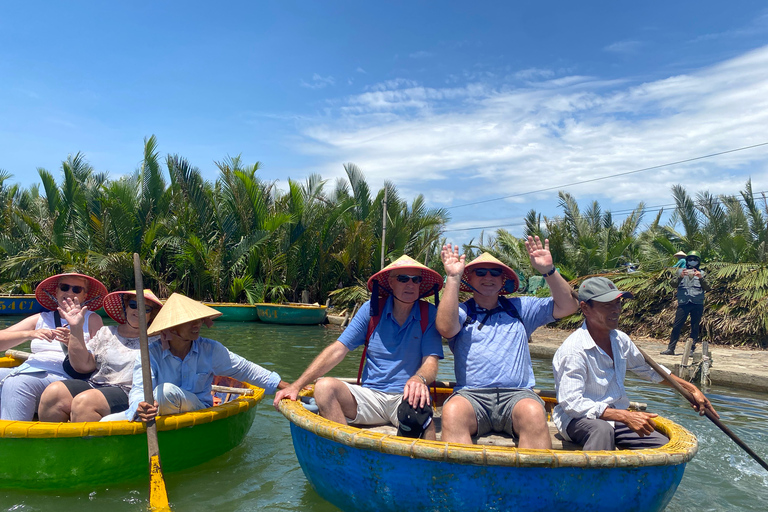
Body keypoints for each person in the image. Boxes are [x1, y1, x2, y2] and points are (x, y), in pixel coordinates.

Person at [274, 255, 444, 440]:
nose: (410, 284)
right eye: (403, 278)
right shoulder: (370, 311)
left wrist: (418, 379)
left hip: (406, 396)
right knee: (323, 388)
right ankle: (346, 451)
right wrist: (297, 385)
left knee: (420, 415)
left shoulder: (429, 314)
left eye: (415, 279)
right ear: (391, 282)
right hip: (370, 396)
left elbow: (431, 362)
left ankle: (426, 468)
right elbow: (338, 350)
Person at [436, 237, 579, 447]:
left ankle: (531, 479)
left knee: (533, 413)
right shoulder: (461, 312)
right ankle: (461, 479)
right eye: (480, 272)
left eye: (495, 273)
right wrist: (453, 278)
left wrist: (548, 270)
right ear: (470, 278)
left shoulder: (520, 308)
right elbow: (445, 327)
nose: (488, 277)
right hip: (471, 396)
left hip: (518, 395)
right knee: (452, 411)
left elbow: (569, 306)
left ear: (503, 281)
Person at [552, 276, 718, 450]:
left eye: (618, 303)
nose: (616, 310)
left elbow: (650, 370)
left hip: (615, 418)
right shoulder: (574, 350)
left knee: (663, 446)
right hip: (577, 420)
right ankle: (592, 477)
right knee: (601, 431)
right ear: (585, 308)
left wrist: (691, 390)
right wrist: (624, 416)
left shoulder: (620, 340)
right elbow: (572, 404)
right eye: (607, 305)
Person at [124, 293, 287, 423]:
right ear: (171, 328)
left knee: (165, 392)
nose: (197, 325)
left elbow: (244, 369)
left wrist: (284, 385)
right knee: (107, 420)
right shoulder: (150, 354)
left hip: (199, 409)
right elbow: (139, 388)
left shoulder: (210, 349)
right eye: (190, 321)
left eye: (199, 320)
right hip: (159, 413)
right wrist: (140, 406)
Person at [37, 290, 163, 422]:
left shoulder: (158, 340)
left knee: (85, 404)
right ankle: (54, 442)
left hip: (129, 392)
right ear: (126, 307)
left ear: (152, 315)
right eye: (133, 304)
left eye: (146, 308)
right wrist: (76, 328)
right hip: (95, 383)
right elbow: (84, 365)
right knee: (53, 393)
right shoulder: (106, 331)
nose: (138, 310)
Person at [0, 272, 107, 420]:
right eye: (65, 287)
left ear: (84, 296)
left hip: (66, 375)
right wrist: (29, 334)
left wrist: (74, 341)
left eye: (77, 290)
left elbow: (100, 359)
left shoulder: (92, 319)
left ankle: (11, 439)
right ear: (57, 292)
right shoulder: (41, 318)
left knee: (17, 383)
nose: (69, 292)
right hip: (31, 368)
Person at [661, 250, 710, 356]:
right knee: (677, 326)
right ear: (687, 260)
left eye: (695, 260)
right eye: (690, 260)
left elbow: (708, 287)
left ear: (698, 262)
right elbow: (673, 284)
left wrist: (700, 278)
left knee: (695, 326)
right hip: (683, 302)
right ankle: (671, 348)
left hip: (697, 303)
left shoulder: (702, 273)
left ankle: (691, 349)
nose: (692, 262)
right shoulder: (680, 272)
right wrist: (680, 276)